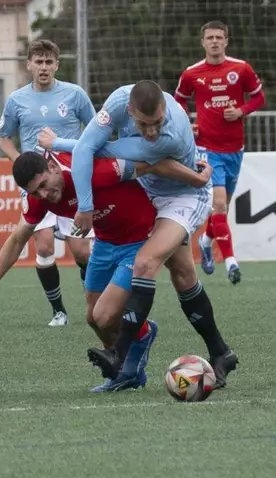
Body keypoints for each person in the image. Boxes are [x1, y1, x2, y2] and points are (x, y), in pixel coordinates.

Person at [0, 151, 211, 392]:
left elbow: (153, 164)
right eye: (36, 191)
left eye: (44, 184)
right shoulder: (38, 199)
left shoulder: (92, 171)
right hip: (105, 243)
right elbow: (16, 241)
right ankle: (134, 351)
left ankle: (133, 358)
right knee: (93, 318)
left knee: (104, 316)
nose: (44, 194)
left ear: (53, 167)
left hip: (140, 241)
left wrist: (196, 177)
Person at [61, 80, 239, 391]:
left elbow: (96, 149)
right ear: (130, 111)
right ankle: (222, 353)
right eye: (144, 125)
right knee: (183, 276)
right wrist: (85, 205)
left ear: (165, 109)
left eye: (157, 122)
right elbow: (87, 150)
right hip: (146, 192)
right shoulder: (118, 101)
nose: (153, 131)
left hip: (183, 196)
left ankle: (118, 355)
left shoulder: (171, 134)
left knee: (145, 263)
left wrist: (60, 143)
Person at [0, 39, 96, 327]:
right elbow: (3, 137)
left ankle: (94, 300)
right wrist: (20, 161)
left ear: (56, 65)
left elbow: (94, 130)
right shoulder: (17, 100)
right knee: (43, 247)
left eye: (48, 62)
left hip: (67, 181)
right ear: (29, 64)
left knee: (82, 252)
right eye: (38, 62)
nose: (43, 67)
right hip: (36, 185)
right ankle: (59, 311)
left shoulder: (75, 94)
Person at [174, 20, 266, 284]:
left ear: (226, 41)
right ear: (202, 42)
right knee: (219, 204)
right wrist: (187, 123)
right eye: (210, 38)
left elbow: (259, 98)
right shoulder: (192, 73)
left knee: (222, 208)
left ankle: (205, 240)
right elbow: (178, 101)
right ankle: (231, 262)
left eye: (219, 37)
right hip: (207, 149)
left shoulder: (241, 68)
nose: (214, 41)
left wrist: (241, 111)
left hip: (235, 148)